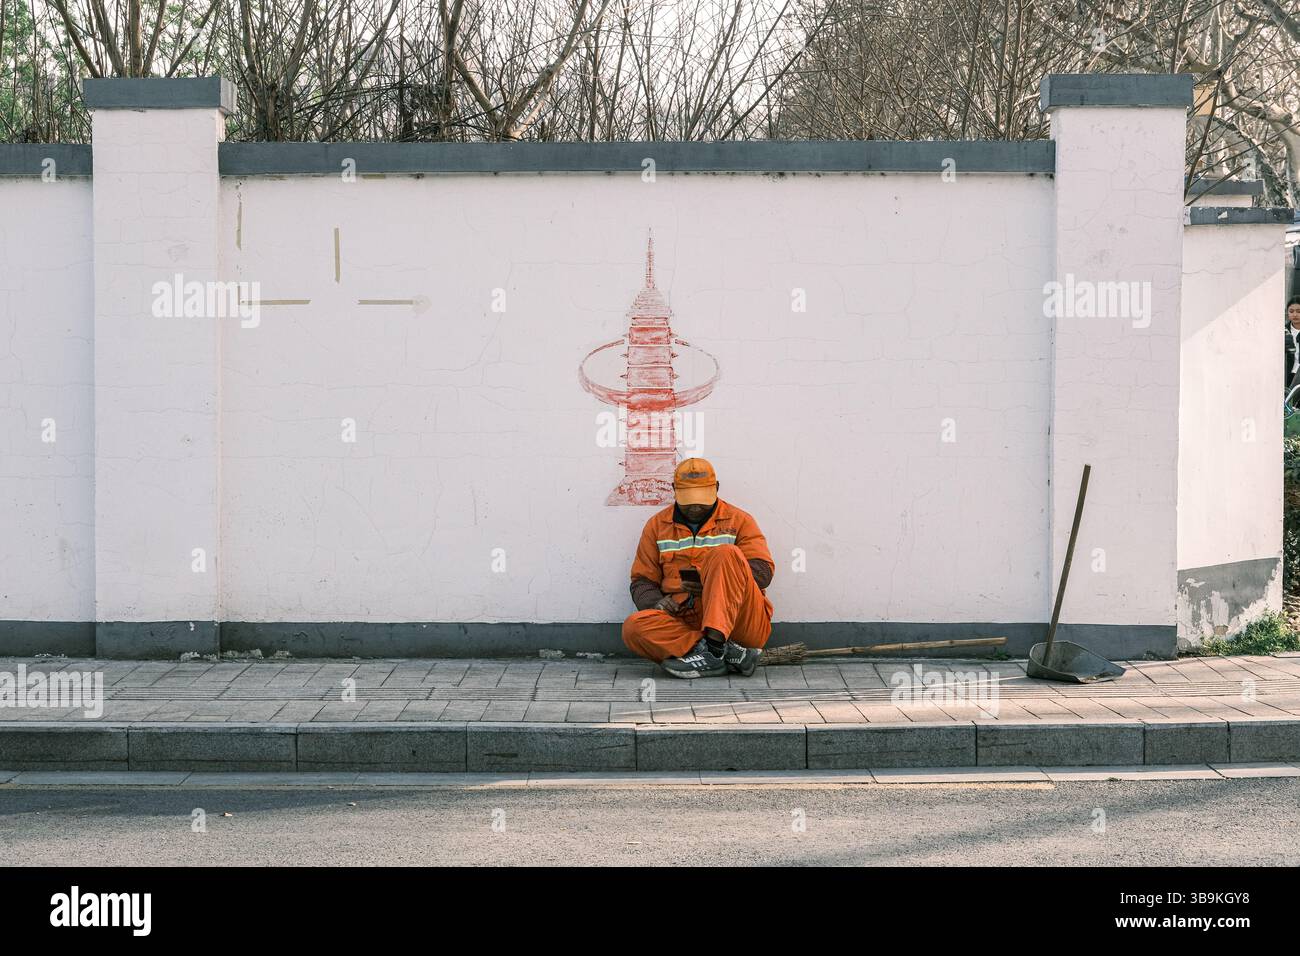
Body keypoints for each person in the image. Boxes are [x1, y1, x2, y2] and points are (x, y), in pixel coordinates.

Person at [621, 457, 775, 678]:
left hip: (740, 621)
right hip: (686, 620)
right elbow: (641, 582)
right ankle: (721, 652)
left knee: (725, 553)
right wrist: (656, 602)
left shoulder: (739, 520)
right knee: (633, 628)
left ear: (717, 488)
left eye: (702, 499)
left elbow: (763, 572)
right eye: (688, 500)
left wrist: (714, 580)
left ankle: (714, 648)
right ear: (674, 490)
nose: (695, 507)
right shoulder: (657, 526)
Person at [1285, 296, 1300, 396]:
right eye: (1291, 311)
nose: (1295, 314)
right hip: (1287, 375)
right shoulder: (1282, 331)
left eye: (1299, 311)